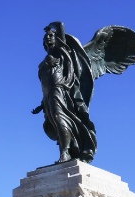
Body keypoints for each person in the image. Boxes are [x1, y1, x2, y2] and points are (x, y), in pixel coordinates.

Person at [31, 21, 97, 163]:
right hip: (48, 95)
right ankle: (67, 149)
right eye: (46, 37)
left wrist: (54, 26)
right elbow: (45, 84)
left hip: (60, 91)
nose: (48, 38)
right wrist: (42, 104)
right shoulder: (43, 63)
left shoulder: (62, 53)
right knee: (55, 121)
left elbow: (61, 27)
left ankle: (65, 153)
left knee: (60, 118)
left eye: (51, 36)